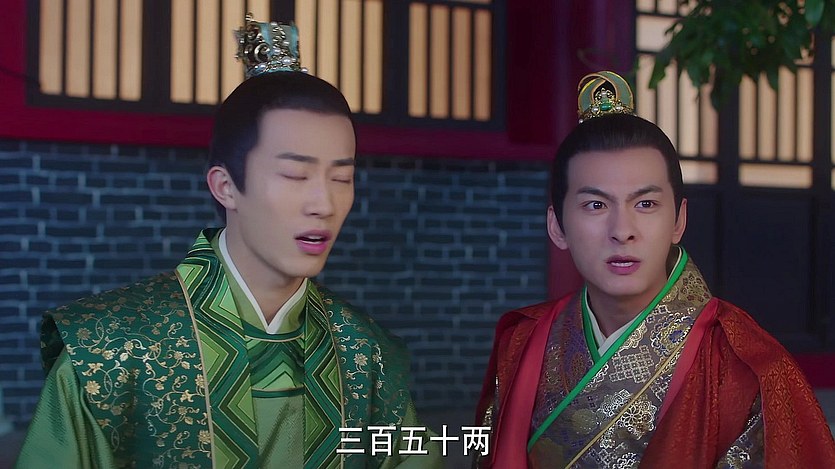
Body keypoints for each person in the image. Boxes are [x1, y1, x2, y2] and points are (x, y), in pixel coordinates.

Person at [16, 14, 441, 469]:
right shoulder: (110, 352)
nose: (324, 203)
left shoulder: (366, 353)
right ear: (226, 186)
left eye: (342, 178)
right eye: (295, 174)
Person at [474, 71, 835, 467]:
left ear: (679, 221)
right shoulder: (523, 342)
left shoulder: (746, 366)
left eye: (645, 204)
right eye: (595, 205)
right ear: (557, 226)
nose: (622, 230)